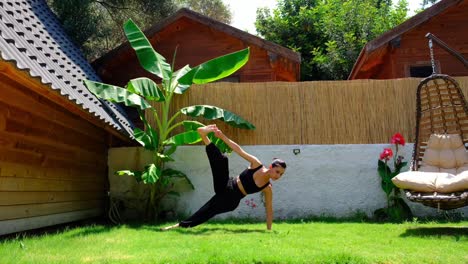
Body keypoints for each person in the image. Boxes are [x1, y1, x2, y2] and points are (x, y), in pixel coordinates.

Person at [161, 124, 286, 231]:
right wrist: (222, 136)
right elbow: (238, 149)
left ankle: (178, 226)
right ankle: (203, 135)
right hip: (226, 184)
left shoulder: (267, 188)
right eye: (277, 171)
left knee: (207, 211)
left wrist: (269, 230)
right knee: (223, 159)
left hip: (231, 200)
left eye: (280, 174)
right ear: (271, 167)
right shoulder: (256, 164)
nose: (278, 176)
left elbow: (269, 209)